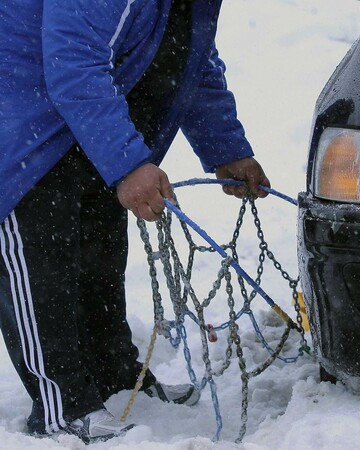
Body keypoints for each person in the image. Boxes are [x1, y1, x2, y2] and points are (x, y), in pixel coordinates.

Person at [0, 0, 270, 443]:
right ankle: (61, 407)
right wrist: (128, 164)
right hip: (19, 120)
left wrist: (226, 147)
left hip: (78, 118)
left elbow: (187, 55)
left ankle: (115, 376)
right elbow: (73, 59)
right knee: (39, 266)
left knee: (98, 252)